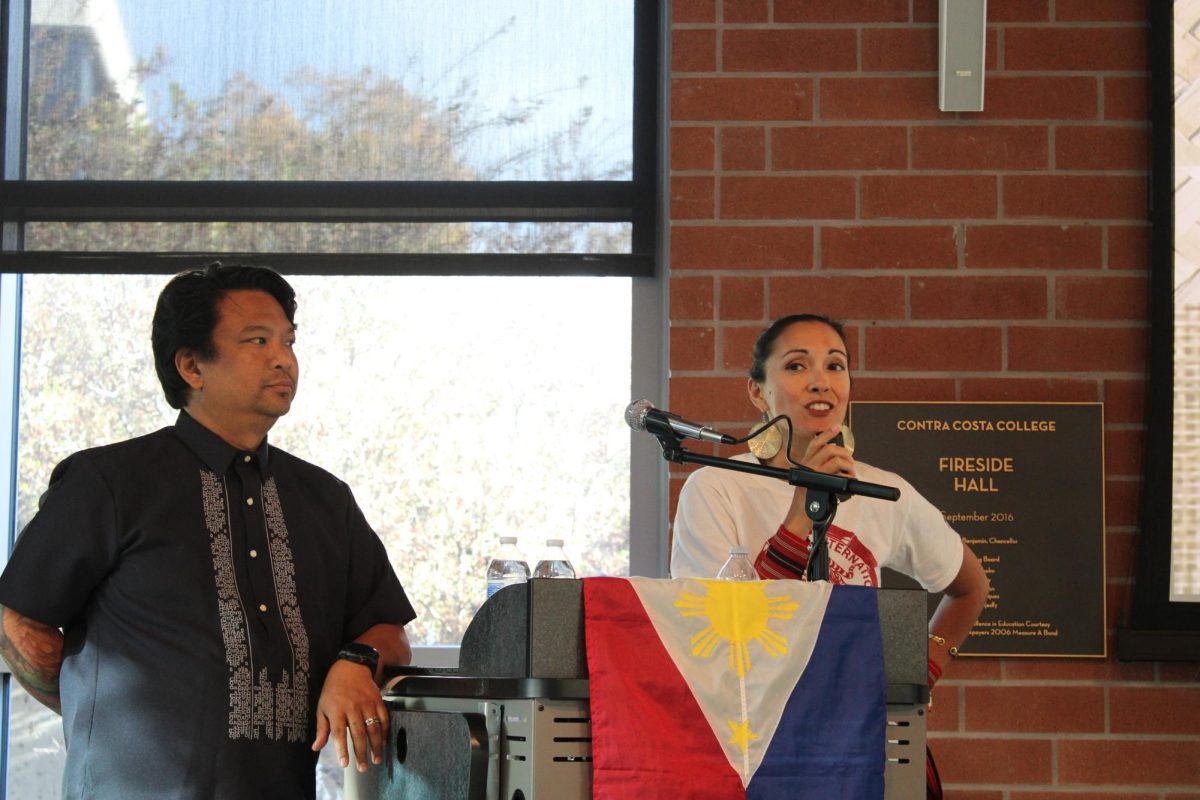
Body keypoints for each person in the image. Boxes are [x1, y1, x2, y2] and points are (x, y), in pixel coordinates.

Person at [0, 263, 416, 800]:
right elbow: (17, 619)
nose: (283, 358)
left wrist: (354, 663)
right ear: (192, 366)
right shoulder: (107, 481)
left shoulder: (325, 499)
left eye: (288, 341)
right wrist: (100, 704)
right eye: (257, 340)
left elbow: (388, 630)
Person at [670, 314, 989, 791]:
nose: (821, 381)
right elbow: (717, 639)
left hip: (862, 745)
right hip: (757, 747)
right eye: (797, 366)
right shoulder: (717, 488)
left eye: (835, 366)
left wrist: (920, 672)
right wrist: (801, 512)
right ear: (758, 391)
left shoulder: (884, 491)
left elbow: (970, 587)